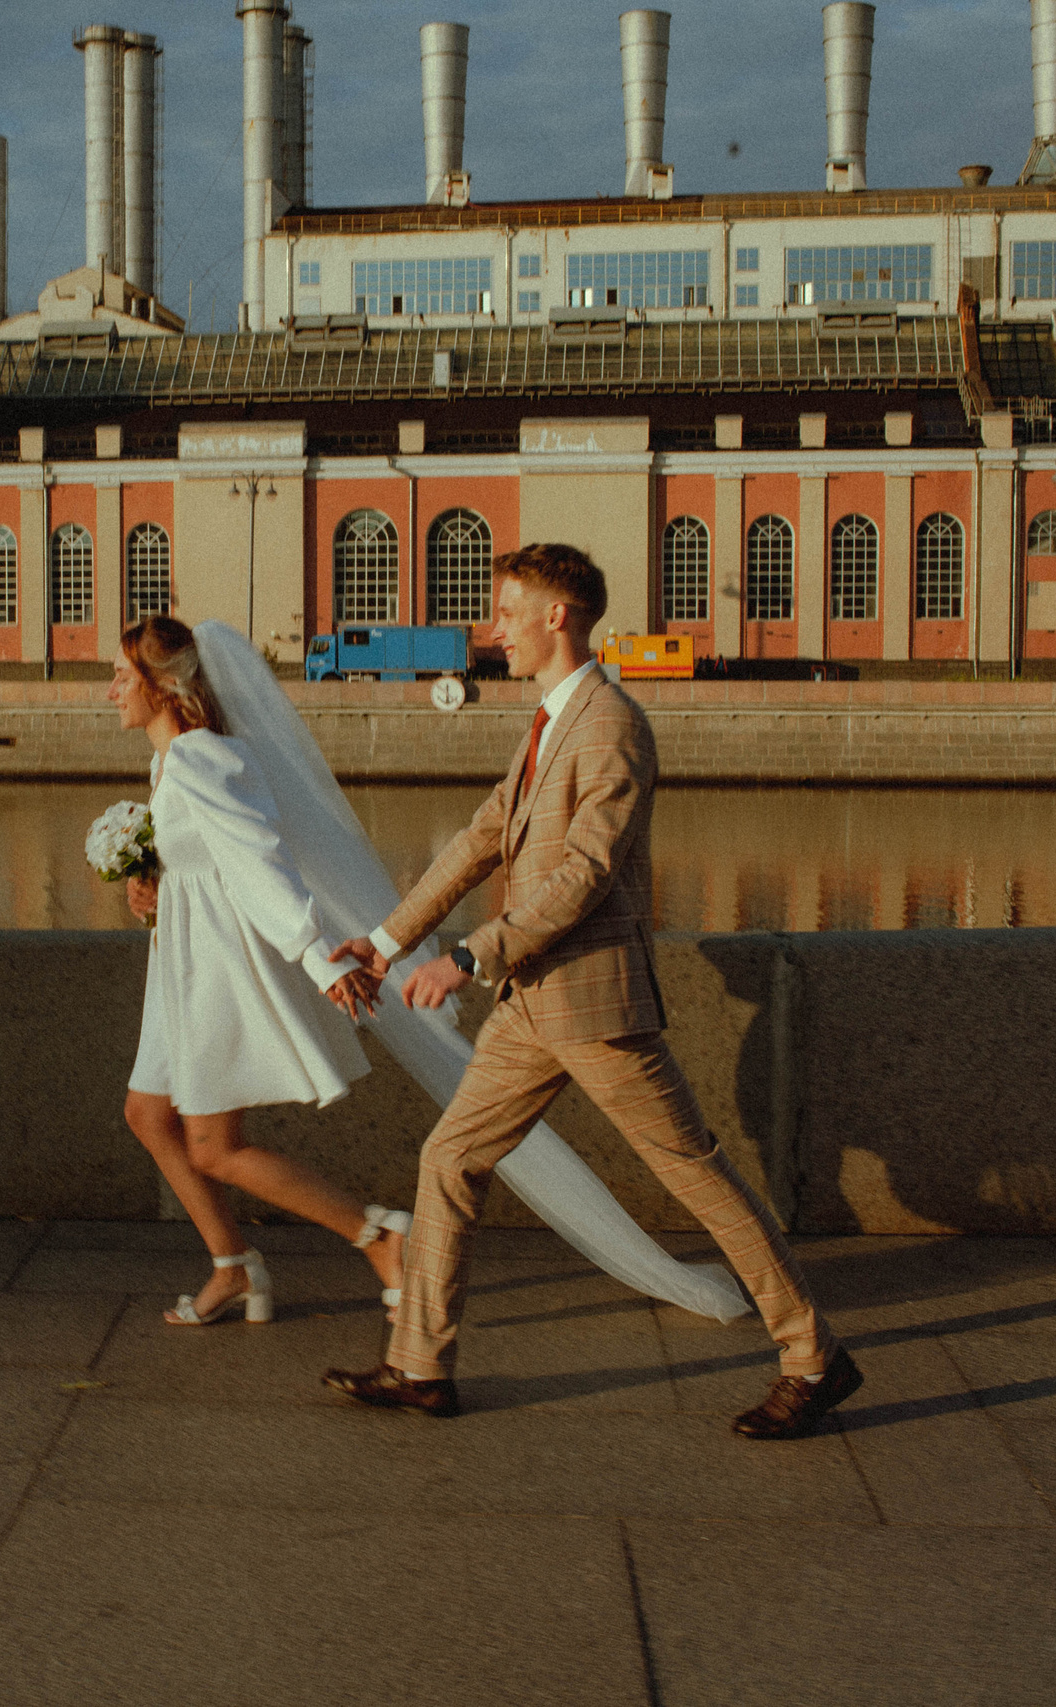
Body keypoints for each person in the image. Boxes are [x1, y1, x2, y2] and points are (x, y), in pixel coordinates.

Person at [320, 545, 861, 1437]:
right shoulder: (548, 723)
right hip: (534, 1001)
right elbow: (479, 839)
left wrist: (466, 957)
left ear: (557, 617)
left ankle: (814, 1353)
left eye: (504, 612)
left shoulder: (611, 724)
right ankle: (420, 1367)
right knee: (448, 1159)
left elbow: (585, 873)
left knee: (698, 1178)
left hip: (593, 1003)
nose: (491, 632)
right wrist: (384, 943)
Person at [109, 616, 410, 1327]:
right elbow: (203, 857)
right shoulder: (170, 761)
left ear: (164, 685)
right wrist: (151, 886)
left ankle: (380, 1236)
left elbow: (256, 860)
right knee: (149, 1114)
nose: (112, 689)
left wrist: (314, 955)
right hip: (178, 961)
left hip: (215, 967)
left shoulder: (200, 757)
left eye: (124, 675)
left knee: (216, 1146)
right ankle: (233, 1265)